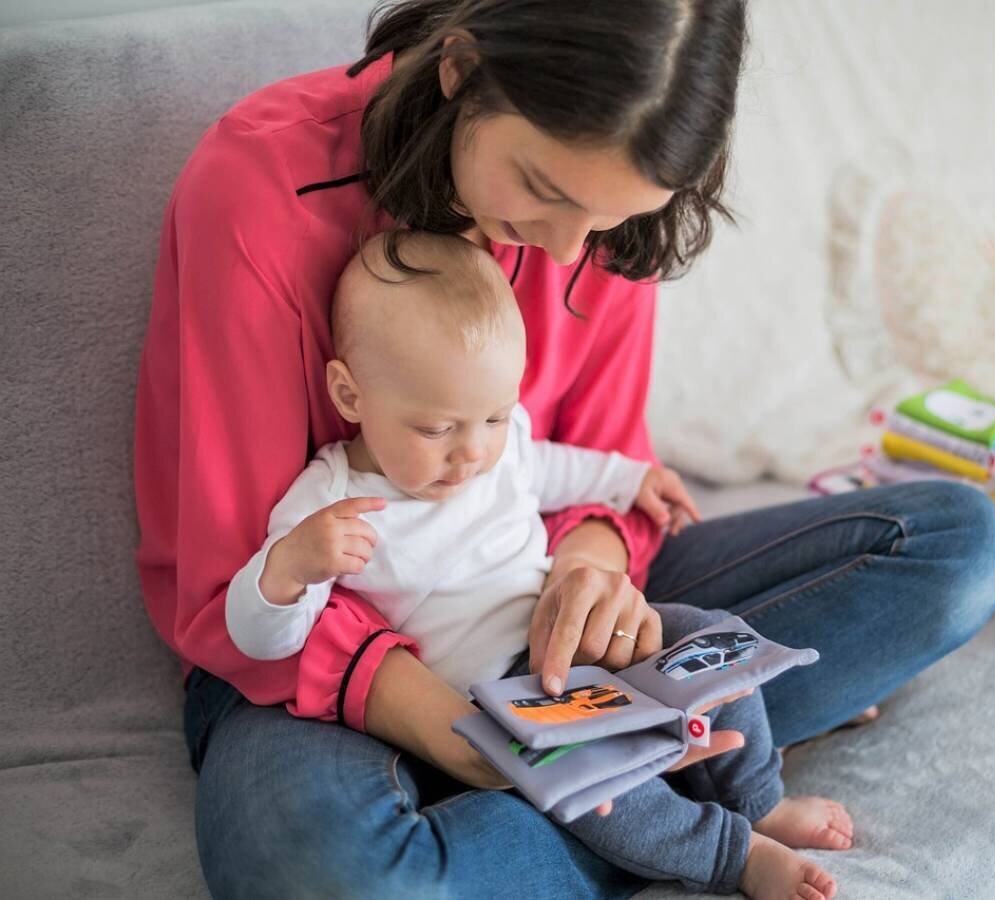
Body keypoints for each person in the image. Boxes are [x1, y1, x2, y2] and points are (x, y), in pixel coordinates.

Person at [133, 1, 995, 897]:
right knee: (331, 877)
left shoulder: (602, 218)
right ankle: (658, 797)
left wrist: (590, 577)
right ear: (461, 68)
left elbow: (598, 468)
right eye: (546, 191)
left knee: (963, 547)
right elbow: (239, 582)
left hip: (539, 620)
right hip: (310, 660)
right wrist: (455, 731)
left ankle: (618, 781)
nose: (569, 250)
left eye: (606, 219)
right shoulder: (257, 191)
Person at [221, 230, 845, 897]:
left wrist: (628, 479)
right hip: (505, 693)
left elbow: (548, 467)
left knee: (713, 638)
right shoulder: (333, 499)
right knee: (599, 784)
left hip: (575, 628)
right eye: (435, 429)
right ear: (351, 396)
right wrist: (289, 568)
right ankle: (732, 855)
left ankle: (758, 799)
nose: (472, 452)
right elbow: (261, 639)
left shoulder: (496, 441)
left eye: (493, 417)